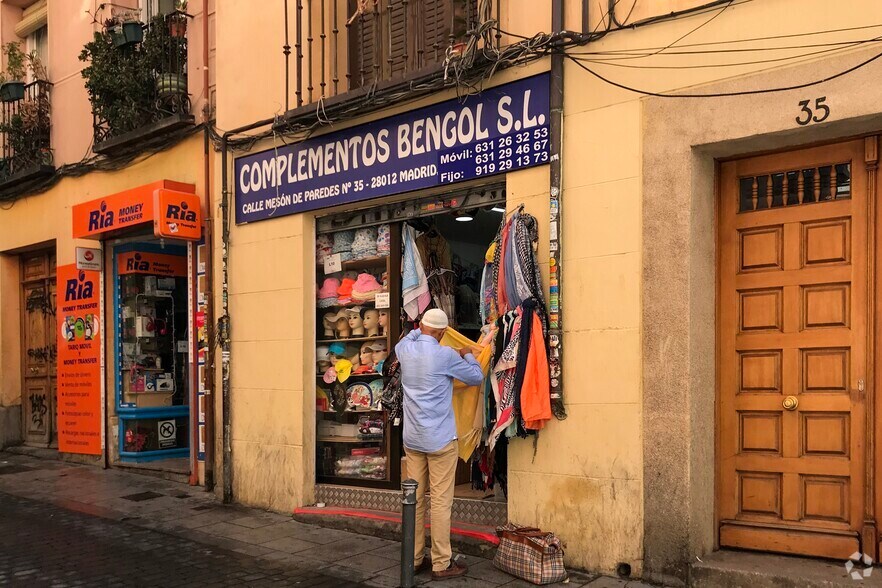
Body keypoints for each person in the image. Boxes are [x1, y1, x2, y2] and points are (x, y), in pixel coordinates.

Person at [396, 308, 484, 579]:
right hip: (440, 440)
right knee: (441, 502)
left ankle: (414, 557)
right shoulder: (445, 355)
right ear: (444, 333)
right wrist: (466, 352)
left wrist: (420, 330)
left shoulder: (404, 350)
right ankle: (441, 563)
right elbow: (476, 376)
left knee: (415, 500)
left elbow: (409, 337)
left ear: (421, 326)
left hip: (413, 440)